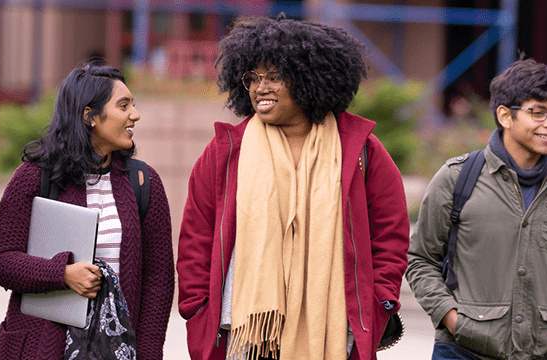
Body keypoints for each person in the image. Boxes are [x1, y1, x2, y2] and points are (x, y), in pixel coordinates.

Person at [176, 16, 411, 360]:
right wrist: (198, 308)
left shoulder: (361, 150)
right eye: (253, 78)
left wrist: (379, 302)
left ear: (307, 79)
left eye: (274, 77)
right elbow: (195, 238)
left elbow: (390, 234)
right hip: (245, 335)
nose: (260, 88)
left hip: (333, 332)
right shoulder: (226, 152)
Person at [0, 62, 173, 359]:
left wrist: (148, 354)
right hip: (41, 349)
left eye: (132, 105)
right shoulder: (35, 176)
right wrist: (62, 274)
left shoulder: (144, 182)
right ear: (90, 116)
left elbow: (158, 281)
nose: (134, 114)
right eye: (124, 106)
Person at [406, 58, 547, 360]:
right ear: (505, 115)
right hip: (463, 351)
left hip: (542, 354)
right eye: (538, 112)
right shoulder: (457, 178)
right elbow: (421, 260)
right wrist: (453, 320)